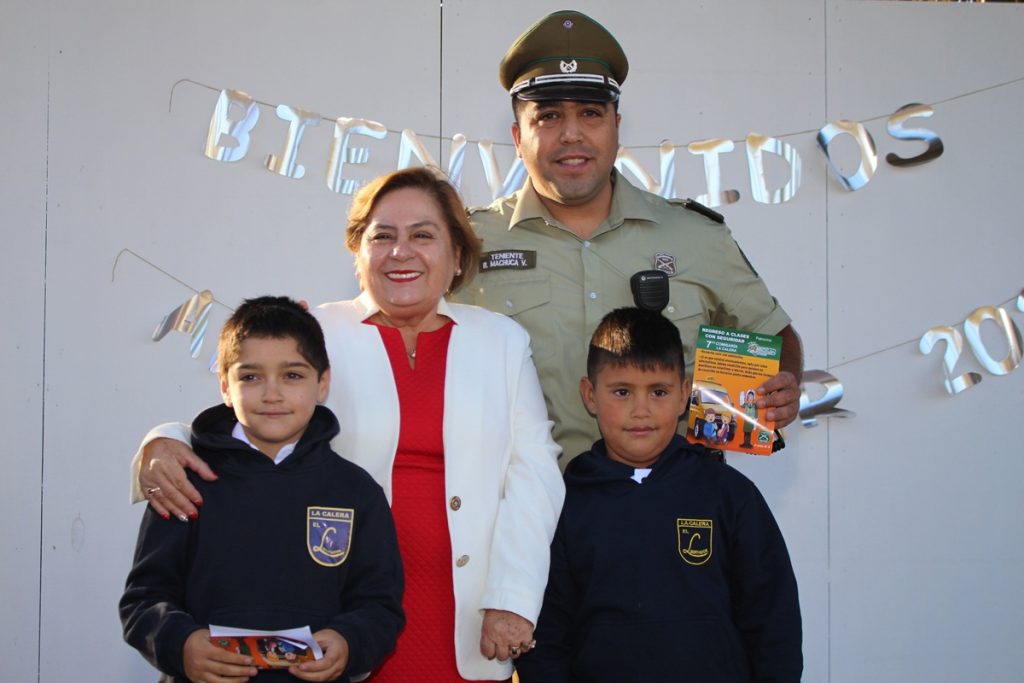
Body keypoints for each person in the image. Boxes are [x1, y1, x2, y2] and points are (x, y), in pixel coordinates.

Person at [131, 168, 565, 682]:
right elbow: (244, 416)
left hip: (466, 617)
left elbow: (535, 473)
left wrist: (512, 599)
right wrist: (162, 440)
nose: (401, 252)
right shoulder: (316, 330)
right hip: (333, 618)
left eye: (423, 235)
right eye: (382, 236)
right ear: (358, 253)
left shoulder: (502, 341)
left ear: (457, 255)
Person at [451, 9, 804, 463]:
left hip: (670, 513)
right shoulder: (468, 243)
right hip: (527, 514)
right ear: (518, 138)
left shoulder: (695, 236)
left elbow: (774, 336)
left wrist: (783, 385)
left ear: (618, 128)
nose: (572, 134)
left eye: (591, 114)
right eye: (549, 117)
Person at [120, 296, 405, 683]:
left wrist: (348, 642)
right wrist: (182, 644)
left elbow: (379, 606)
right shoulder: (183, 481)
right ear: (224, 385)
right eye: (250, 377)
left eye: (292, 375)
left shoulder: (355, 492)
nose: (272, 394)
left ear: (322, 383)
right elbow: (144, 599)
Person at [515, 308, 802, 682]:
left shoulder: (729, 495)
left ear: (685, 395)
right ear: (590, 395)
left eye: (659, 392)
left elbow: (773, 619)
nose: (641, 410)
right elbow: (548, 633)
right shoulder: (563, 503)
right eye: (621, 392)